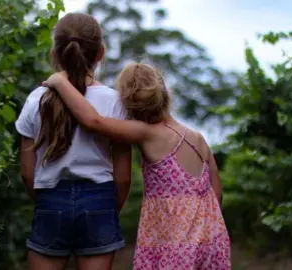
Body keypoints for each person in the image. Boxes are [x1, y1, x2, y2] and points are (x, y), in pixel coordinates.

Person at [42, 63, 231, 269]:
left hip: (173, 242)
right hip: (213, 239)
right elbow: (216, 194)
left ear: (129, 103)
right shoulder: (198, 138)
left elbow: (93, 121)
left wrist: (60, 82)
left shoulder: (146, 133)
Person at [15, 13, 132, 270]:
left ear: (55, 54)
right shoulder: (115, 102)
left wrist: (49, 203)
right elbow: (123, 177)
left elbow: (27, 172)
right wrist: (109, 209)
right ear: (100, 53)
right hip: (100, 200)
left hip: (50, 198)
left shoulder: (36, 99)